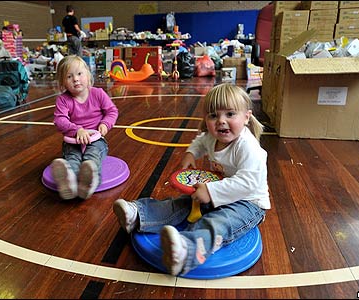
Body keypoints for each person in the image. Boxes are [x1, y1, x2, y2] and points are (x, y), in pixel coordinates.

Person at [113, 83, 270, 276]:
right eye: (213, 115)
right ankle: (139, 215)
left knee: (220, 222)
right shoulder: (213, 137)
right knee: (183, 203)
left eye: (230, 114)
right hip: (219, 191)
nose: (221, 121)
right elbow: (200, 141)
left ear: (246, 117)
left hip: (248, 203)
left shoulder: (248, 147)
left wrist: (211, 191)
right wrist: (191, 153)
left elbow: (249, 184)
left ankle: (187, 250)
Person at [52, 55, 118, 200]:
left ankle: (91, 179)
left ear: (88, 75)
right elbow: (59, 120)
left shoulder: (98, 94)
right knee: (72, 158)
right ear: (63, 82)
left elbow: (112, 111)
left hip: (96, 139)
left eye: (79, 74)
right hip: (73, 140)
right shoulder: (63, 100)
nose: (75, 79)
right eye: (69, 76)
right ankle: (70, 182)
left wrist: (105, 124)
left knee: (92, 156)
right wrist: (77, 130)